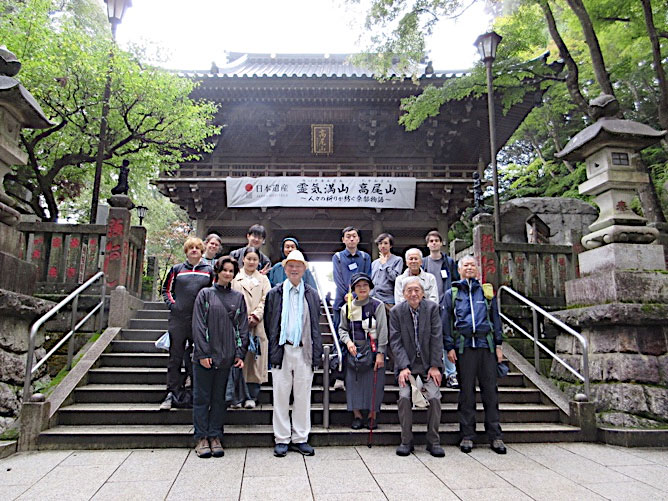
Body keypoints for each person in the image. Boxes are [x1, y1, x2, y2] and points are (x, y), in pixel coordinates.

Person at [442, 255, 506, 455]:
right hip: (464, 347)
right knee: (466, 393)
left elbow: (495, 319)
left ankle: (495, 435)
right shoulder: (452, 293)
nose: (469, 268)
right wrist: (449, 347)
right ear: (459, 269)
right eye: (465, 265)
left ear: (477, 269)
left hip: (486, 346)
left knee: (490, 392)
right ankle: (467, 435)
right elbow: (446, 322)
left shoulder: (486, 292)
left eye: (472, 265)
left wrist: (498, 345)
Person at [264, 249, 323, 457]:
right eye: (290, 265)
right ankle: (281, 438)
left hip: (304, 350)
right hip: (282, 349)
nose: (294, 269)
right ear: (285, 268)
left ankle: (300, 437)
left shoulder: (311, 294)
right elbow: (269, 323)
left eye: (298, 266)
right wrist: (274, 346)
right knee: (280, 395)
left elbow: (315, 324)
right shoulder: (275, 293)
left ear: (304, 269)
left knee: (302, 396)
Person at [191, 256, 249, 458]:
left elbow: (242, 327)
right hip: (205, 357)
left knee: (219, 399)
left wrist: (240, 353)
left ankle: (215, 435)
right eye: (224, 270)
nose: (227, 274)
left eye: (231, 271)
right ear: (217, 271)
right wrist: (203, 352)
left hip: (227, 356)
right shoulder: (205, 294)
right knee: (201, 398)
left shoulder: (238, 297)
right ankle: (201, 437)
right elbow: (198, 325)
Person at [389, 277, 445, 457]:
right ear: (404, 294)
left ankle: (433, 441)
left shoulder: (433, 309)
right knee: (404, 397)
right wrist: (403, 366)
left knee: (434, 397)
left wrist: (435, 365)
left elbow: (437, 338)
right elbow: (395, 342)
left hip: (428, 364)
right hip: (407, 365)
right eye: (409, 290)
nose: (413, 294)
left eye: (417, 290)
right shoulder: (396, 312)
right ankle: (406, 440)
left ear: (423, 293)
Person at [160, 237, 214, 411]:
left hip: (200, 320)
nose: (194, 250)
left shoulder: (209, 271)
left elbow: (213, 293)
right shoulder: (177, 269)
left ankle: (197, 392)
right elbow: (166, 290)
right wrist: (173, 305)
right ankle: (172, 392)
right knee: (175, 356)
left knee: (198, 356)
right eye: (191, 248)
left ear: (202, 251)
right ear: (186, 251)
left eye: (197, 248)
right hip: (178, 319)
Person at [338, 273, 387, 430]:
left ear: (370, 287)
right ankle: (357, 415)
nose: (362, 288)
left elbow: (383, 330)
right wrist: (348, 342)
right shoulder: (347, 307)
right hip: (354, 350)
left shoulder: (377, 305)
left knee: (375, 384)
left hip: (373, 349)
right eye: (358, 286)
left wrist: (381, 353)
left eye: (365, 285)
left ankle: (373, 415)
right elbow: (342, 329)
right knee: (353, 384)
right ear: (353, 289)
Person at [229, 247, 271, 409]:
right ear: (243, 259)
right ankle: (236, 396)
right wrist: (240, 316)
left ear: (258, 261)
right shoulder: (235, 277)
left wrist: (256, 315)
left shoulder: (263, 279)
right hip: (236, 323)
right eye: (249, 258)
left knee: (255, 362)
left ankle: (251, 396)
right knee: (237, 360)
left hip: (257, 325)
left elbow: (266, 299)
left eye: (255, 259)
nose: (251, 262)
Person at [422, 230, 461, 389]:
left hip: (446, 305)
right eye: (431, 241)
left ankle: (451, 374)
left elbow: (456, 281)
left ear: (441, 243)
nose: (434, 243)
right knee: (428, 338)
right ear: (427, 244)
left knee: (446, 338)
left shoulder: (449, 262)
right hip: (427, 306)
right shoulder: (424, 262)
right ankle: (430, 371)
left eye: (436, 240)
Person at [332, 226, 371, 333]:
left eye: (354, 236)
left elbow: (367, 277)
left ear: (358, 239)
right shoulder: (337, 257)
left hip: (361, 299)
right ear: (343, 240)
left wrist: (354, 294)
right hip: (341, 299)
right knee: (339, 329)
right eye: (348, 237)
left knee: (360, 331)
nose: (351, 239)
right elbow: (337, 278)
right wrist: (347, 294)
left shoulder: (365, 257)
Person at [370, 233, 403, 313]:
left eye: (385, 243)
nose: (383, 246)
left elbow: (395, 278)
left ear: (390, 245)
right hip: (374, 298)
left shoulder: (397, 260)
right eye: (380, 243)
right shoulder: (374, 263)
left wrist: (385, 264)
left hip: (388, 300)